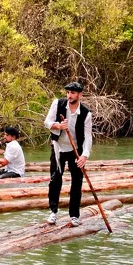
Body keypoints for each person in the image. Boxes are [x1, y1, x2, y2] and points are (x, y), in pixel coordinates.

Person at [44, 81, 93, 227]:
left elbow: (88, 137)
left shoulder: (86, 113)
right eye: (68, 92)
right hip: (58, 147)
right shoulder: (57, 104)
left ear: (80, 95)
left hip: (75, 149)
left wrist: (84, 156)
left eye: (73, 93)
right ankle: (53, 212)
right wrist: (58, 125)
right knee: (55, 180)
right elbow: (47, 122)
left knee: (77, 181)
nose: (69, 95)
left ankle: (74, 215)